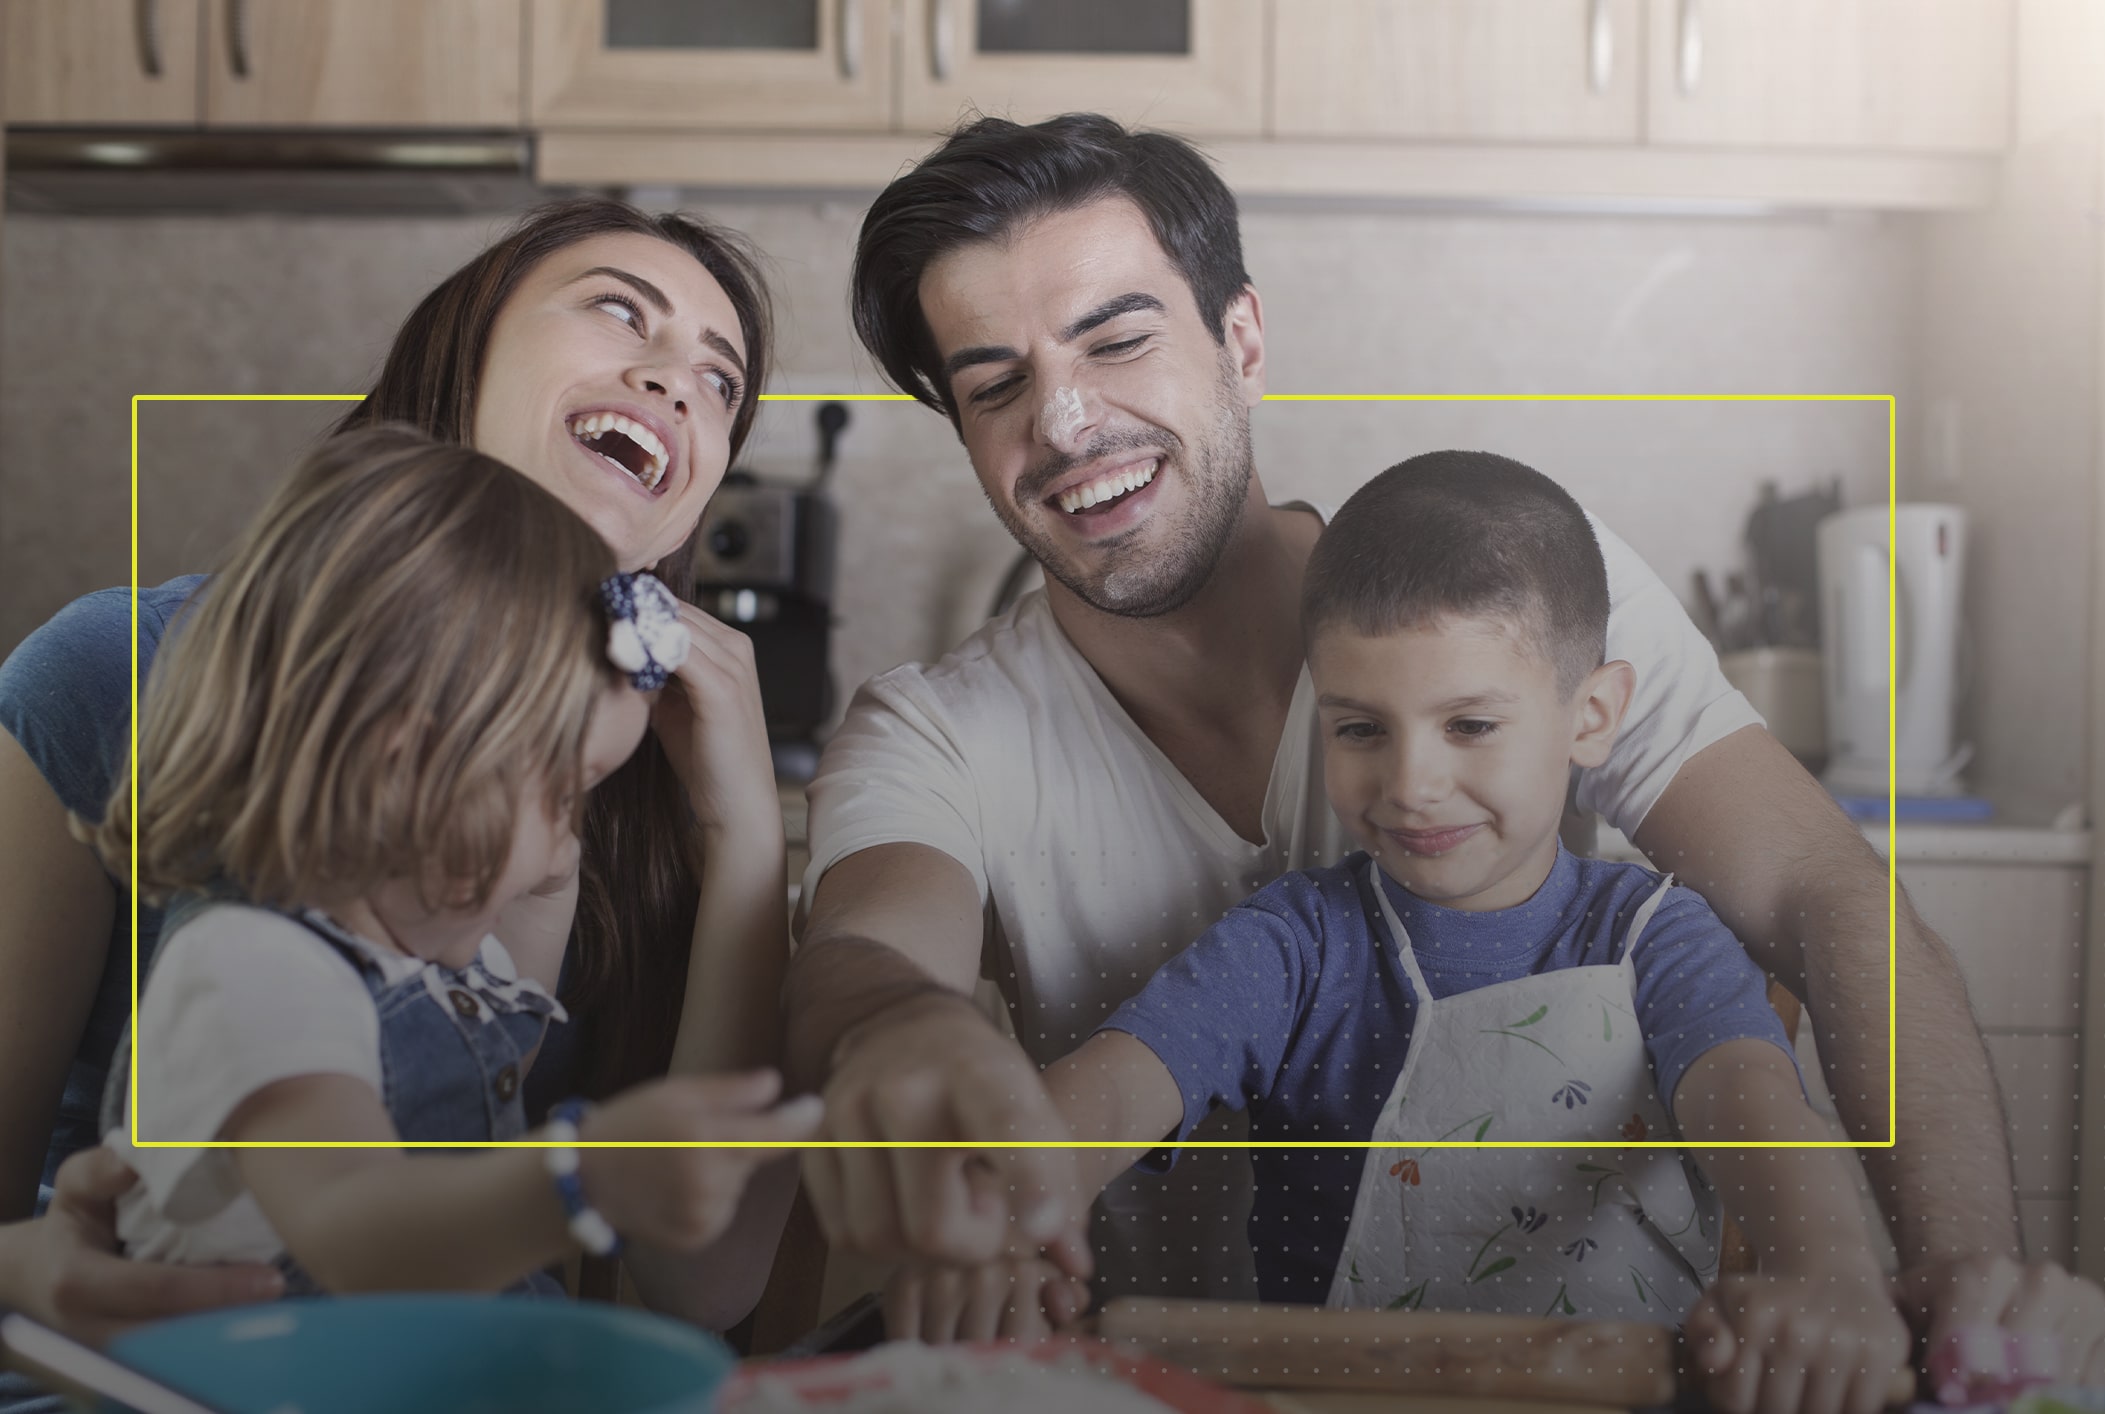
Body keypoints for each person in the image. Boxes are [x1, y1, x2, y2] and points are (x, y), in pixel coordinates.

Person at [786, 112, 2077, 1387]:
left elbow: (1824, 898)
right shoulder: (930, 729)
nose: (1064, 423)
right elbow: (866, 964)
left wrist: (1969, 1297)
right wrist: (926, 1064)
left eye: (1117, 339)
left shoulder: (1514, 596)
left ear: (1241, 338)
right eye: (995, 384)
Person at [889, 452, 1910, 1414]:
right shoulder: (1291, 944)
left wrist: (1825, 1272)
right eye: (1358, 728)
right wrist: (1003, 1214)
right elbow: (1107, 1095)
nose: (1411, 783)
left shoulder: (1658, 938)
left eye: (1469, 725)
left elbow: (1756, 1107)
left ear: (1589, 716)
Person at [0, 198, 792, 1371]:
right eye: (621, 309)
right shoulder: (115, 672)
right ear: (460, 348)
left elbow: (703, 1285)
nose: (681, 382)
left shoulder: (633, 773)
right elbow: (371, 1221)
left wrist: (742, 830)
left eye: (722, 383)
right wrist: (22, 1277)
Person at [92, 426, 820, 1298]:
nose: (565, 845)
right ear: (406, 767)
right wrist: (589, 1177)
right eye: (565, 794)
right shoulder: (254, 973)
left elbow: (542, 916)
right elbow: (355, 1228)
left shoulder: (423, 964)